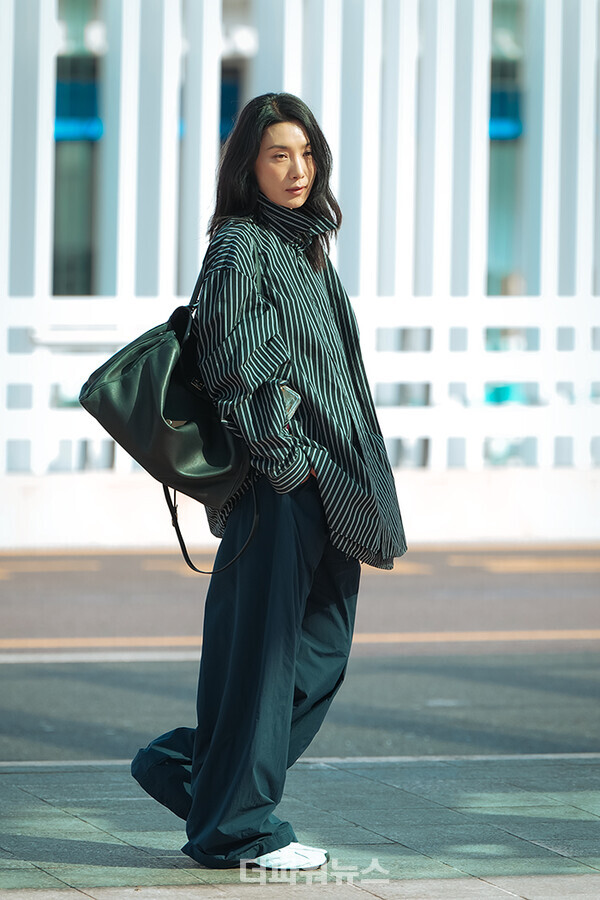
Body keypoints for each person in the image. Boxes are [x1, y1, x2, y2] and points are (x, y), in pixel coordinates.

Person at [131, 92, 406, 872]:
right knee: (265, 657)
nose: (297, 169)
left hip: (332, 490)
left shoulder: (308, 246)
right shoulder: (242, 246)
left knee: (320, 650)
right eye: (279, 154)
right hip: (282, 489)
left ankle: (199, 775)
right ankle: (238, 829)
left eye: (307, 154)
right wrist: (289, 466)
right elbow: (236, 371)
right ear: (248, 165)